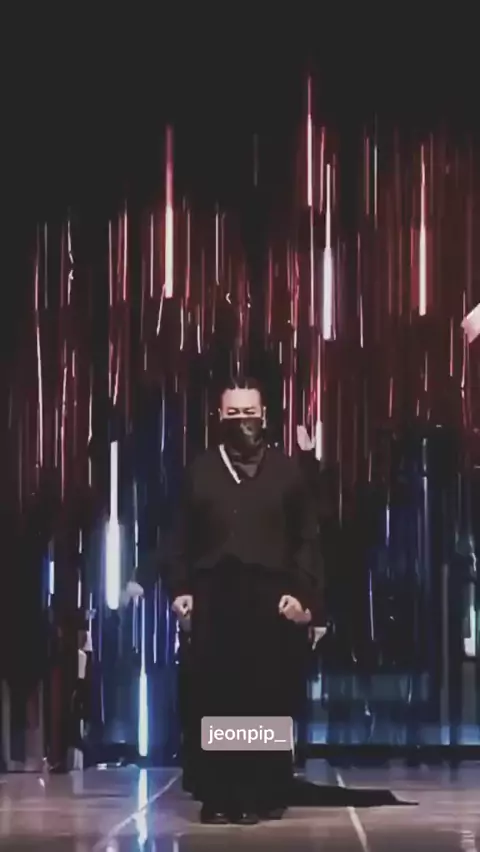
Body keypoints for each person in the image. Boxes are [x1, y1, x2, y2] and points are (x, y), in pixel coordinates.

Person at [127, 378, 322, 824]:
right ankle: (219, 793)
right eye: (233, 414)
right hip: (214, 598)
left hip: (270, 600)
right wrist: (180, 590)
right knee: (215, 697)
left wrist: (304, 596)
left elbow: (307, 539)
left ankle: (261, 791)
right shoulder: (200, 471)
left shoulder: (287, 472)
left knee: (265, 696)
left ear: (264, 416)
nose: (242, 421)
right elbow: (178, 537)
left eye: (248, 412)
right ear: (219, 418)